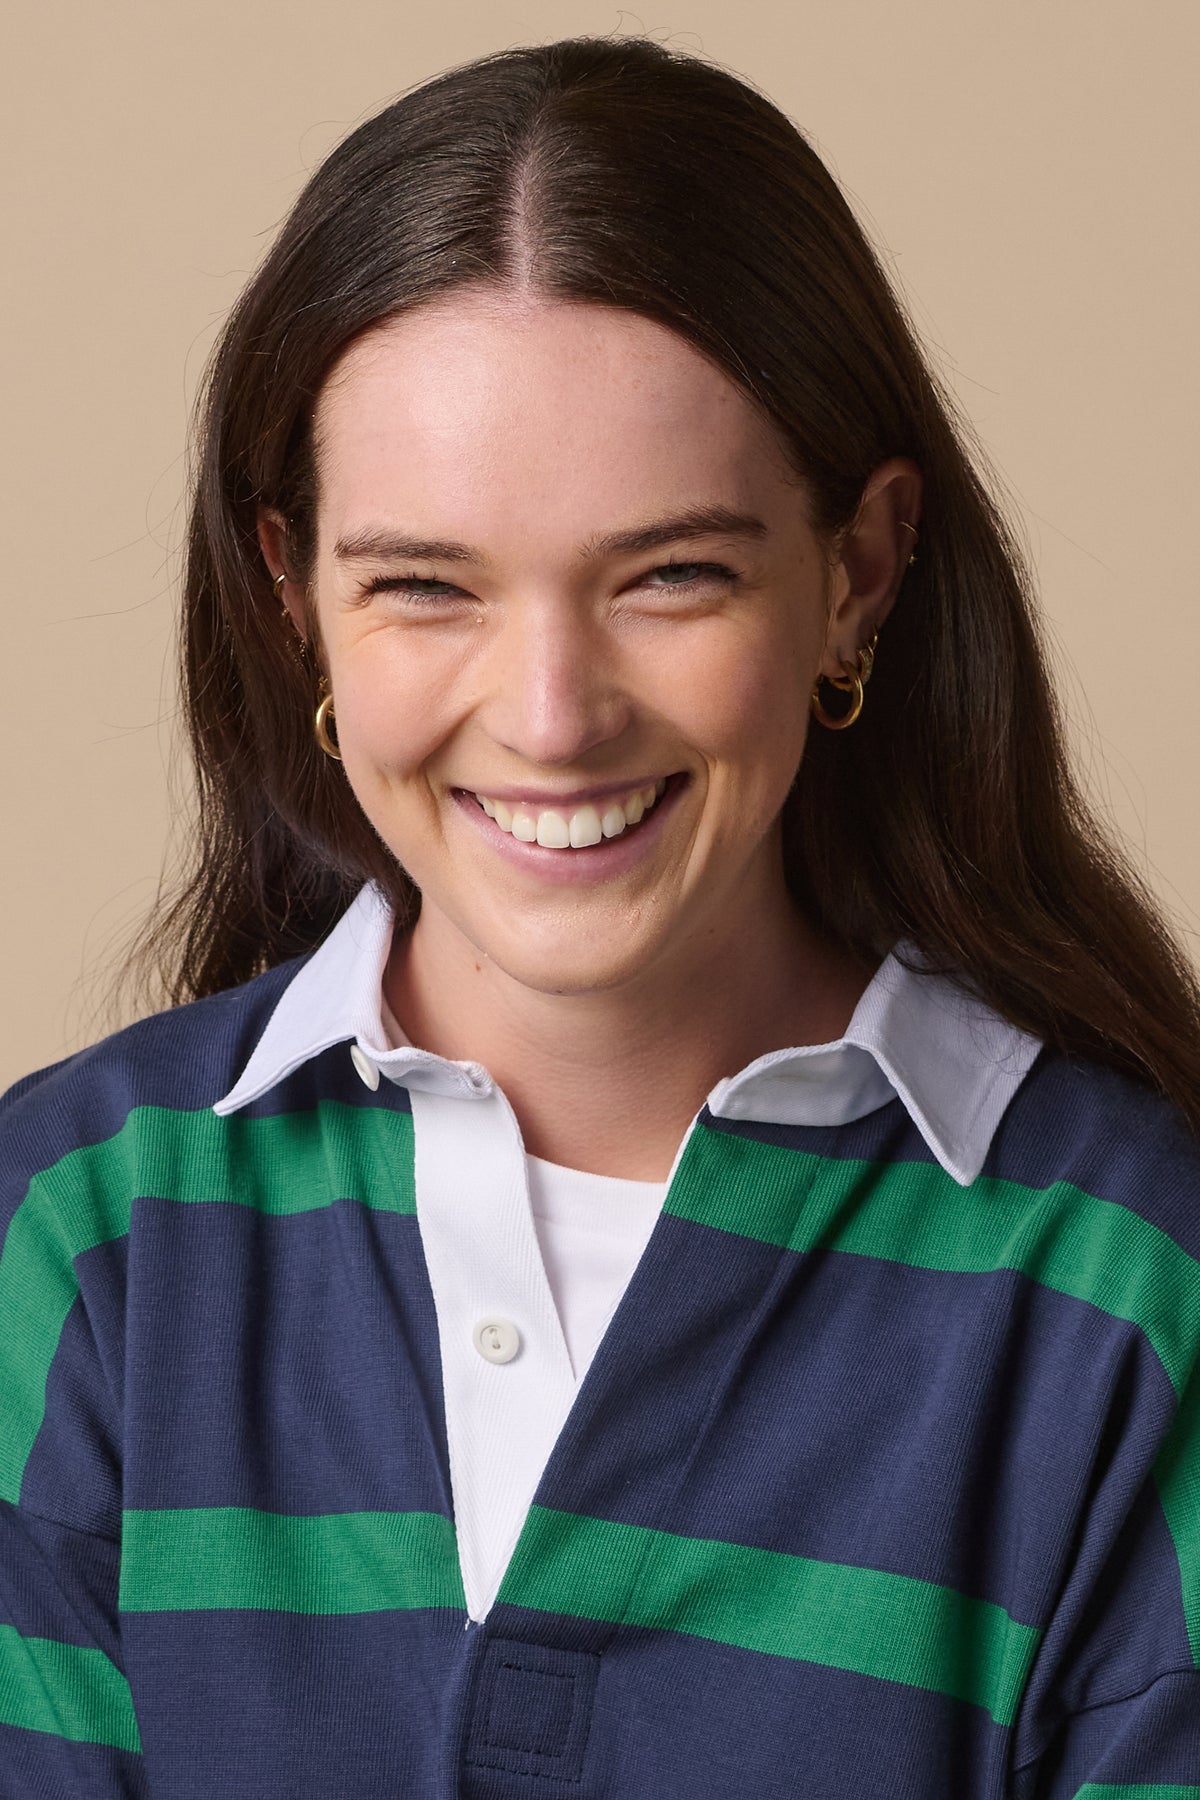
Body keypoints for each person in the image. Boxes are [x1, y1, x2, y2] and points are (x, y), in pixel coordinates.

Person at [2, 33, 1198, 1799]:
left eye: (672, 577)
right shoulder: (73, 1234)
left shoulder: (1131, 1292)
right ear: (292, 600)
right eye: (426, 588)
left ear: (855, 577)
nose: (552, 714)